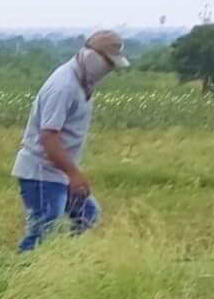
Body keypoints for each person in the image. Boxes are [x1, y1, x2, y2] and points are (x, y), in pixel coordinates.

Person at [12, 30, 129, 251]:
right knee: (43, 233)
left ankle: (64, 260)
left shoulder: (84, 81)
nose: (109, 69)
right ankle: (22, 274)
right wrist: (73, 174)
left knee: (87, 215)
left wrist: (70, 174)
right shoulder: (63, 85)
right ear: (92, 56)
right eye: (108, 62)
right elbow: (49, 138)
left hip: (58, 172)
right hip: (41, 173)